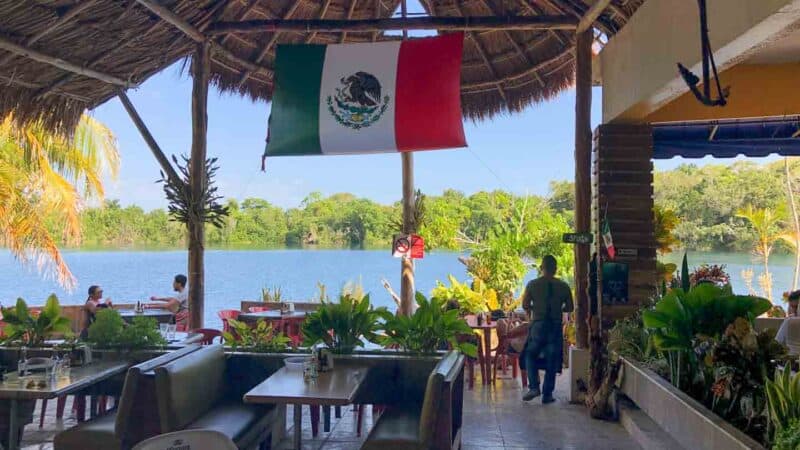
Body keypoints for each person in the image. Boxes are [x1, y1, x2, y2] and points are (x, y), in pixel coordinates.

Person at [520, 255, 574, 404]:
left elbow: (525, 305)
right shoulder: (563, 286)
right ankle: (547, 394)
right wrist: (557, 307)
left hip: (538, 324)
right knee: (552, 359)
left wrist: (535, 308)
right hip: (555, 325)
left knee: (530, 355)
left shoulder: (532, 284)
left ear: (541, 268)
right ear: (555, 269)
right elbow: (570, 307)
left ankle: (534, 387)